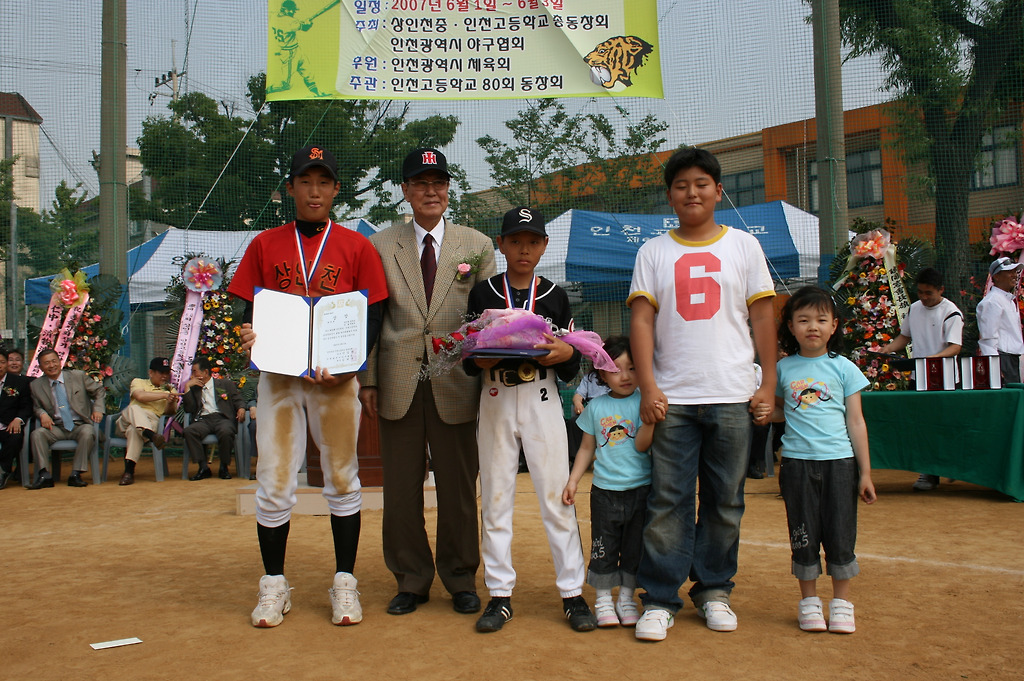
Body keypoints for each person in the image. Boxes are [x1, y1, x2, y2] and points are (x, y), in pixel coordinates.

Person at [231, 144, 388, 628]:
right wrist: (247, 335)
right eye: (305, 181)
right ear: (291, 188)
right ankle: (274, 585)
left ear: (336, 189)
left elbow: (375, 312)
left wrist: (352, 366)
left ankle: (345, 583)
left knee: (342, 479)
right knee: (274, 481)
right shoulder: (265, 243)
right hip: (279, 377)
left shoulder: (356, 245)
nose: (314, 190)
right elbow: (246, 309)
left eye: (323, 182)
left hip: (334, 379)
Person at [627, 147, 777, 641]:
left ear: (718, 190)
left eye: (701, 183)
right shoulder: (653, 252)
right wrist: (648, 386)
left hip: (733, 392)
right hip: (672, 398)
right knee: (667, 500)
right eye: (681, 185)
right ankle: (662, 598)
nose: (692, 192)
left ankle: (714, 590)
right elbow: (642, 321)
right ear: (669, 194)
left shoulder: (744, 246)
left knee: (726, 499)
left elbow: (761, 317)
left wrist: (769, 382)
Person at [358, 147, 495, 618]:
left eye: (438, 182)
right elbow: (374, 319)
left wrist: (487, 381)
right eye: (420, 183)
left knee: (459, 488)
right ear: (405, 191)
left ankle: (460, 578)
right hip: (398, 380)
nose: (430, 191)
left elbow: (488, 321)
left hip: (457, 381)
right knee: (399, 490)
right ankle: (411, 579)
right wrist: (368, 379)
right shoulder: (379, 245)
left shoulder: (476, 245)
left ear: (448, 189)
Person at [465, 206, 596, 633]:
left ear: (543, 245)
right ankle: (500, 595)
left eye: (532, 241)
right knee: (497, 497)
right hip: (496, 396)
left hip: (541, 397)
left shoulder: (555, 294)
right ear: (500, 244)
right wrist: (480, 355)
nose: (524, 249)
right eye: (515, 240)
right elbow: (469, 359)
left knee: (557, 496)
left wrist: (568, 353)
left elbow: (570, 361)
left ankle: (572, 593)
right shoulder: (484, 292)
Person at [775, 286, 876, 634]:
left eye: (821, 319)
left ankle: (842, 603)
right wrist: (761, 410)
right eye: (803, 320)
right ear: (790, 326)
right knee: (802, 531)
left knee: (840, 532)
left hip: (840, 464)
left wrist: (865, 473)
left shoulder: (845, 368)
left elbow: (856, 421)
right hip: (797, 465)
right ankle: (809, 603)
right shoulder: (782, 369)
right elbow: (777, 410)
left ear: (834, 326)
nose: (812, 327)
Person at [562, 335, 662, 628]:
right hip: (604, 492)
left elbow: (643, 446)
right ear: (601, 373)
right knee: (603, 546)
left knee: (633, 548)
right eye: (616, 369)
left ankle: (627, 599)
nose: (626, 376)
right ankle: (604, 599)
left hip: (639, 489)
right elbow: (585, 448)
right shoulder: (596, 408)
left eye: (632, 368)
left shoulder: (644, 401)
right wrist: (573, 480)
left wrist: (652, 421)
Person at [880, 267, 963, 491]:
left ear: (941, 290)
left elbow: (955, 347)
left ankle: (946, 466)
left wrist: (933, 359)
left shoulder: (951, 312)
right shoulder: (914, 309)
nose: (924, 297)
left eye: (929, 293)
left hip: (944, 379)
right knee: (922, 426)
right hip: (919, 376)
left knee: (942, 426)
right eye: (920, 292)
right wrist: (887, 349)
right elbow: (905, 336)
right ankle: (929, 472)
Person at [28, 348, 105, 489]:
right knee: (37, 434)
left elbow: (99, 391)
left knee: (88, 432)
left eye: (54, 361)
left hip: (79, 425)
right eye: (46, 363)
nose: (51, 365)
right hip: (56, 427)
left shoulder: (78, 376)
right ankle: (45, 475)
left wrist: (98, 409)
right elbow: (36, 406)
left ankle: (76, 474)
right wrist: (42, 414)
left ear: (60, 361)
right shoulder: (36, 385)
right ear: (41, 367)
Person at [114, 357, 178, 486]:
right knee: (134, 408)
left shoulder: (171, 390)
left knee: (135, 430)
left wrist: (171, 402)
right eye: (161, 373)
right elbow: (140, 396)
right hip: (126, 421)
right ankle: (151, 435)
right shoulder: (138, 382)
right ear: (151, 373)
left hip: (151, 422)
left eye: (167, 373)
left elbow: (170, 412)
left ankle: (129, 472)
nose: (164, 376)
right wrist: (164, 395)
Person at [181, 356, 245, 481]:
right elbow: (189, 409)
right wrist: (187, 387)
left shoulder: (224, 384)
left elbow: (238, 400)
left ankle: (224, 467)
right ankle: (203, 467)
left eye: (195, 371)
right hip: (203, 419)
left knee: (226, 431)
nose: (192, 375)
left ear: (205, 372)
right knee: (189, 431)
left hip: (222, 418)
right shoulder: (194, 388)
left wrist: (241, 408)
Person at [976, 257, 1024, 384]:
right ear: (996, 276)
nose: (1014, 275)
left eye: (1015, 271)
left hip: (1012, 359)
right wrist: (995, 367)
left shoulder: (1008, 300)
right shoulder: (992, 302)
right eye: (1009, 271)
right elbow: (988, 338)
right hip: (1003, 360)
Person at [0, 349, 32, 489]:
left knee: (15, 437)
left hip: (9, 425)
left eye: (1, 362)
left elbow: (27, 406)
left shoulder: (20, 382)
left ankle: (3, 471)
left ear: (7, 364)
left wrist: (18, 419)